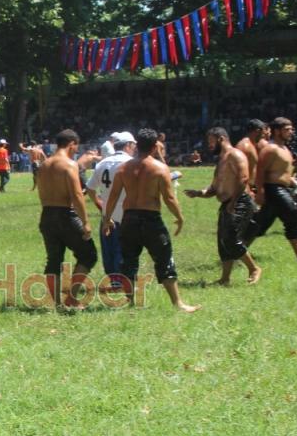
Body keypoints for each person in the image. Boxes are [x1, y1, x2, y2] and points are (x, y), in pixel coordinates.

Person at [103, 129, 200, 312]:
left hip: (129, 219)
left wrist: (107, 219)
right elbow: (169, 198)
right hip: (151, 220)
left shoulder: (123, 168)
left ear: (137, 145)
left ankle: (131, 302)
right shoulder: (160, 169)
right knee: (164, 259)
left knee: (129, 261)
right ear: (156, 146)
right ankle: (178, 303)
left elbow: (113, 196)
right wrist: (179, 217)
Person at [185, 127, 262, 285]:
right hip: (228, 202)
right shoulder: (221, 160)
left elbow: (243, 179)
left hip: (239, 200)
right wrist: (198, 193)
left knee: (230, 239)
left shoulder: (235, 154)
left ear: (220, 139)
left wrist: (233, 202)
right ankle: (225, 279)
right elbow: (214, 188)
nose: (209, 145)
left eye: (211, 141)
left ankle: (254, 268)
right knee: (223, 242)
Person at [37, 129, 97, 308]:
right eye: (75, 147)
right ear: (72, 144)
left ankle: (55, 303)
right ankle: (71, 297)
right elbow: (77, 195)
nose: (76, 151)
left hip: (47, 214)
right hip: (66, 215)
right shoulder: (69, 165)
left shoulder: (43, 165)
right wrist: (85, 221)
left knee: (54, 260)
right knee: (89, 255)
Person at [250, 117, 297, 260]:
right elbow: (260, 171)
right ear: (276, 131)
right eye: (287, 130)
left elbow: (284, 173)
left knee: (260, 225)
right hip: (273, 189)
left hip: (283, 189)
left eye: (291, 129)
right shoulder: (271, 149)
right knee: (293, 217)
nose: (291, 132)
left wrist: (294, 183)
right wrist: (260, 192)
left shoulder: (285, 148)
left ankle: (237, 246)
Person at [86, 132, 136, 290]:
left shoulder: (103, 163)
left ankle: (114, 280)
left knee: (109, 248)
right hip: (127, 212)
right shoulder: (132, 163)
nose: (135, 148)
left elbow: (90, 188)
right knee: (126, 247)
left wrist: (99, 204)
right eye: (133, 145)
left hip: (107, 213)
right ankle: (126, 280)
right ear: (128, 145)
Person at [236, 119, 265, 190]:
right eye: (263, 133)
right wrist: (246, 189)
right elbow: (236, 170)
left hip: (249, 187)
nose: (263, 136)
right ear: (258, 131)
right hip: (243, 189)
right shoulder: (245, 146)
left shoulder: (251, 145)